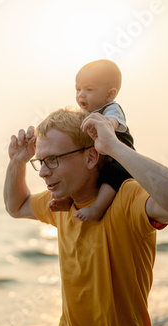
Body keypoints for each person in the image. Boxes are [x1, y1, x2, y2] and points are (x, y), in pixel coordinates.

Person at [3, 108, 168, 326]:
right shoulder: (60, 204)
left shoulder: (126, 198)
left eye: (53, 160)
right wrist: (17, 162)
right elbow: (16, 206)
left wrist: (114, 147)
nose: (43, 172)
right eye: (41, 161)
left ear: (91, 157)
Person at [50, 59, 135, 222]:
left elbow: (114, 121)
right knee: (78, 169)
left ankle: (97, 208)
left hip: (118, 159)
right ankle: (70, 200)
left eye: (89, 89)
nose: (81, 94)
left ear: (110, 95)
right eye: (78, 89)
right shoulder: (84, 112)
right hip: (98, 156)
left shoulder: (111, 109)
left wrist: (107, 124)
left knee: (113, 175)